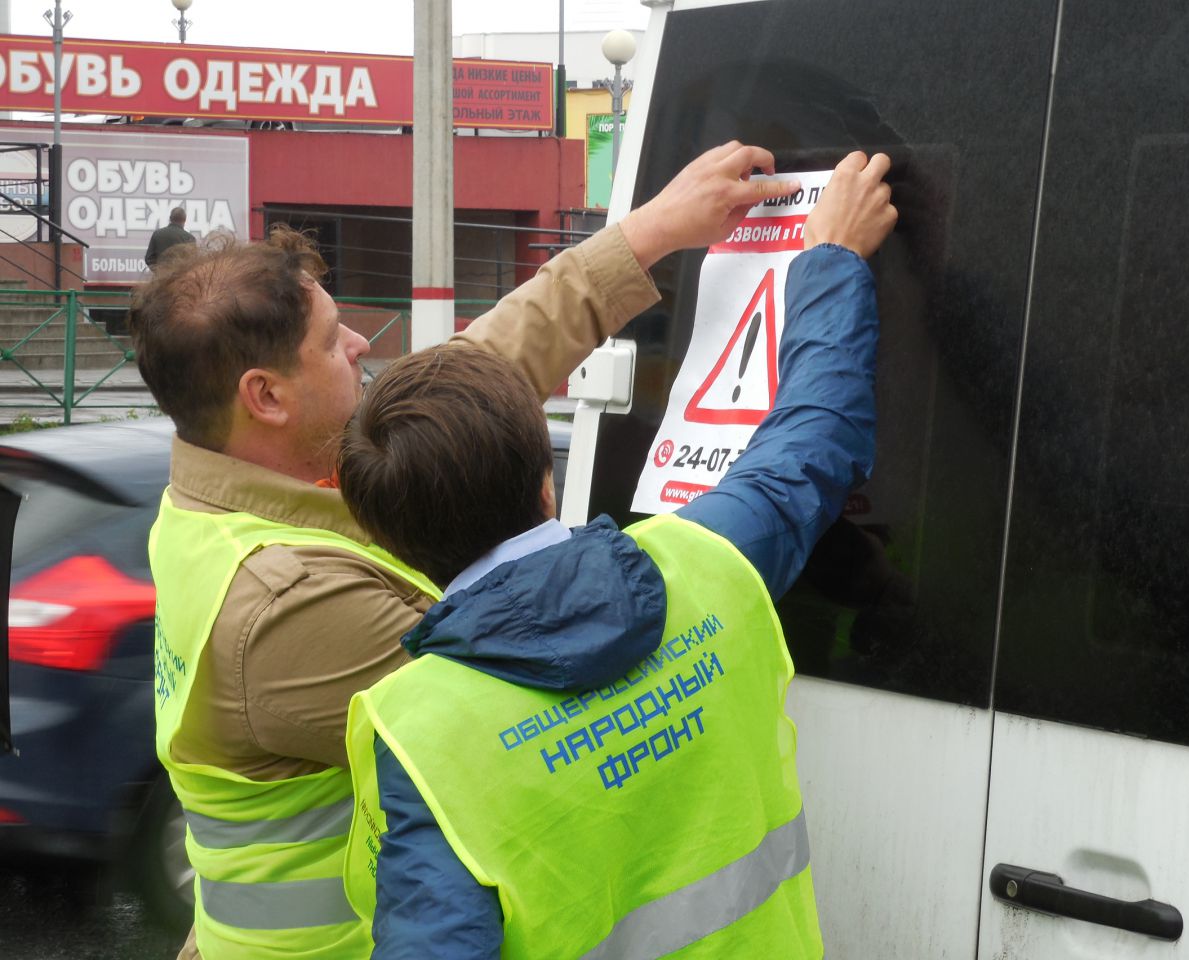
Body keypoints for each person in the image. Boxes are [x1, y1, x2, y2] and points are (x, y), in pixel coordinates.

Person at [132, 141, 808, 960]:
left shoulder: (233, 491)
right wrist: (710, 571)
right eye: (329, 338)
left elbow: (471, 380)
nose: (357, 344)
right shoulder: (280, 604)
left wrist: (650, 232)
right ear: (265, 397)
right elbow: (531, 672)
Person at [336, 150, 897, 959]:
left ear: (392, 542)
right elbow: (814, 435)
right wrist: (831, 259)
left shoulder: (423, 733)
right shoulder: (705, 565)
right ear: (544, 478)